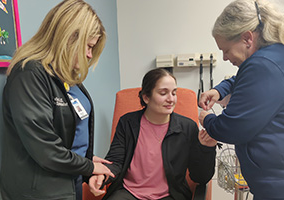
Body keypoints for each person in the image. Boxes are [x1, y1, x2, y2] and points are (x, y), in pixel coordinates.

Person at [0, 0, 114, 200]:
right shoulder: (29, 74)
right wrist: (88, 166)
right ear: (68, 37)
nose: (89, 55)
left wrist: (89, 169)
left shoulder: (68, 79)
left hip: (70, 185)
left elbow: (72, 137)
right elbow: (46, 149)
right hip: (40, 192)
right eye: (88, 46)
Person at [198, 0, 284, 199]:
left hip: (283, 186)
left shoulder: (264, 65)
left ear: (247, 38)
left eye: (226, 50)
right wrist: (219, 90)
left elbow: (232, 129)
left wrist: (206, 119)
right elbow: (241, 80)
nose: (225, 58)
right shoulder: (277, 57)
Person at [88, 68, 217, 200]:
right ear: (146, 97)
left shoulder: (187, 127)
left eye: (174, 93)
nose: (171, 99)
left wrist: (206, 148)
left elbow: (200, 177)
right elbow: (116, 161)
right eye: (163, 93)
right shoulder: (127, 123)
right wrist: (102, 175)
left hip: (170, 195)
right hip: (129, 192)